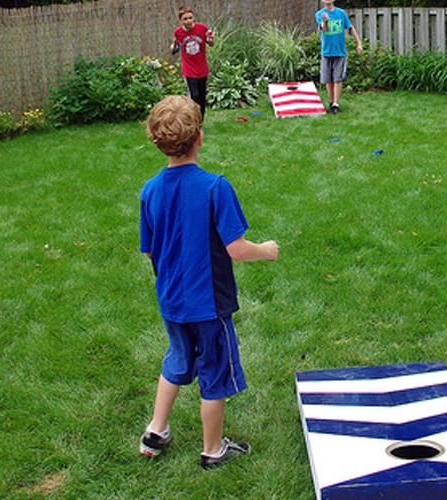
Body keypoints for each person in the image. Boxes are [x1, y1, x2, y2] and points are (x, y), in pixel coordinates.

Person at [139, 95, 279, 468]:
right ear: (200, 137)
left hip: (171, 303)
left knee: (177, 360)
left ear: (157, 141)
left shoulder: (150, 190)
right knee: (214, 376)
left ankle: (156, 430)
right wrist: (266, 249)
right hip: (209, 306)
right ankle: (213, 449)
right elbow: (236, 249)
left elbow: (150, 252)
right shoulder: (216, 187)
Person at [316, 0, 363, 114]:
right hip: (327, 52)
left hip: (340, 51)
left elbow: (351, 27)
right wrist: (326, 21)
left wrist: (359, 43)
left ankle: (336, 104)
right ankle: (332, 103)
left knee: (338, 78)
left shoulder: (341, 13)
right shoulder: (319, 14)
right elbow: (325, 29)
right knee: (328, 80)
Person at [171, 5, 214, 117]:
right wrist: (174, 46)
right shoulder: (178, 32)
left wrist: (211, 39)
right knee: (194, 96)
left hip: (202, 68)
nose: (189, 21)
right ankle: (193, 119)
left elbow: (211, 44)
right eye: (185, 19)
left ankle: (200, 121)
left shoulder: (202, 28)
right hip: (189, 69)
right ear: (180, 20)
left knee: (202, 97)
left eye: (190, 18)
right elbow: (176, 45)